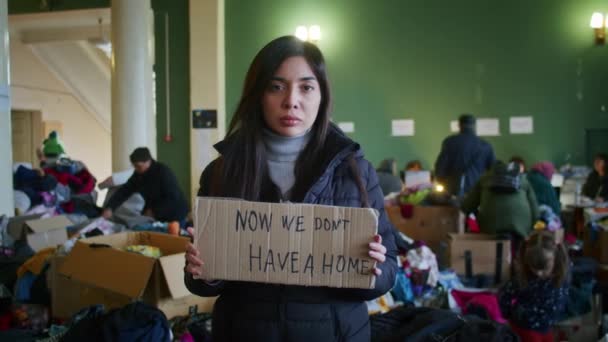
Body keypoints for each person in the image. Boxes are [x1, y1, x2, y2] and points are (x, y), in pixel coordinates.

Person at [183, 36, 397, 341]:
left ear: (322, 95)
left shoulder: (356, 172)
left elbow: (389, 272)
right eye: (276, 86)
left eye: (306, 87)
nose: (291, 100)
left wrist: (372, 270)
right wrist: (203, 271)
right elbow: (200, 284)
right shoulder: (222, 172)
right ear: (257, 95)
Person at [499, 230, 569, 342]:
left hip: (547, 327)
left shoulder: (562, 273)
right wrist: (508, 315)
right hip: (525, 328)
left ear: (556, 259)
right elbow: (504, 296)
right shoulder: (523, 278)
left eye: (544, 268)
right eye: (534, 268)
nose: (538, 273)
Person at [461, 161, 539, 252]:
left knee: (492, 258)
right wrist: (527, 230)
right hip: (520, 229)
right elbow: (536, 213)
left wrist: (478, 215)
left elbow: (466, 207)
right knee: (518, 252)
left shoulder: (485, 179)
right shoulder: (523, 180)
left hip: (490, 227)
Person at [102, 147, 188, 223]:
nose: (136, 169)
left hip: (175, 214)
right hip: (156, 216)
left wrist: (154, 211)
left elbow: (173, 197)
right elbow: (124, 191)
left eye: (139, 166)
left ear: (148, 161)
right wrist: (110, 207)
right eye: (134, 166)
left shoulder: (163, 172)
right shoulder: (138, 174)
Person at [434, 114, 495, 197]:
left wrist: (440, 182)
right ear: (474, 125)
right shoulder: (485, 145)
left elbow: (440, 166)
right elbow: (492, 169)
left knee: (452, 209)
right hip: (476, 188)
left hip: (452, 188)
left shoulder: (449, 142)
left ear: (459, 125)